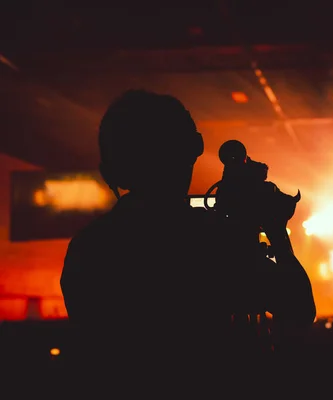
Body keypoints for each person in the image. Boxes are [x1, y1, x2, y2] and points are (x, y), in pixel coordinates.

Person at [60, 90, 316, 394]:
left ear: (111, 171)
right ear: (191, 151)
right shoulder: (212, 239)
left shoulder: (88, 247)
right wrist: (272, 228)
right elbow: (298, 308)